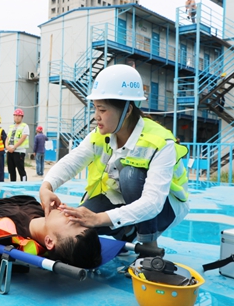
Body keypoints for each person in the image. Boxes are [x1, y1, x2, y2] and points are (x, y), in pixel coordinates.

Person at [39, 65, 190, 248]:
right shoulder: (99, 135)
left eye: (102, 110)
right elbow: (72, 161)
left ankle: (149, 244)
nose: (96, 116)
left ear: (127, 110)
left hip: (165, 208)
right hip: (118, 198)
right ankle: (127, 231)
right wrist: (47, 186)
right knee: (79, 224)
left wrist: (99, 218)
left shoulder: (160, 142)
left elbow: (152, 203)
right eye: (95, 109)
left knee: (130, 176)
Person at [6, 108, 29, 182]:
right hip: (10, 151)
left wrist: (14, 147)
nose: (17, 117)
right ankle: (12, 184)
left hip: (19, 151)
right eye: (15, 115)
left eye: (19, 115)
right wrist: (7, 146)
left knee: (21, 170)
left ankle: (24, 184)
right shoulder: (11, 127)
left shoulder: (25, 126)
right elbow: (7, 138)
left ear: (22, 117)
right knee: (11, 170)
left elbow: (23, 138)